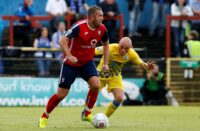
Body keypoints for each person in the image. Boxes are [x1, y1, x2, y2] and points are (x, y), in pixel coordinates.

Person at [39, 5, 110, 128]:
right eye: (100, 16)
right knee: (61, 95)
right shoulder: (79, 26)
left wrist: (105, 64)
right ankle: (44, 116)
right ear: (92, 17)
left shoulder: (102, 29)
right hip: (70, 64)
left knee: (96, 85)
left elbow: (106, 45)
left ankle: (87, 113)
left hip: (87, 63)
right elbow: (62, 41)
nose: (102, 18)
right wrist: (69, 55)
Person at [95, 37, 155, 118]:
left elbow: (142, 64)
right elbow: (92, 51)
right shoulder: (110, 47)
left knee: (119, 98)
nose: (123, 50)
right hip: (101, 75)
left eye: (126, 48)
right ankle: (86, 113)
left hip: (115, 76)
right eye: (121, 47)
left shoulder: (131, 53)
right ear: (118, 44)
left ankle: (104, 118)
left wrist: (148, 67)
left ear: (130, 48)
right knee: (92, 94)